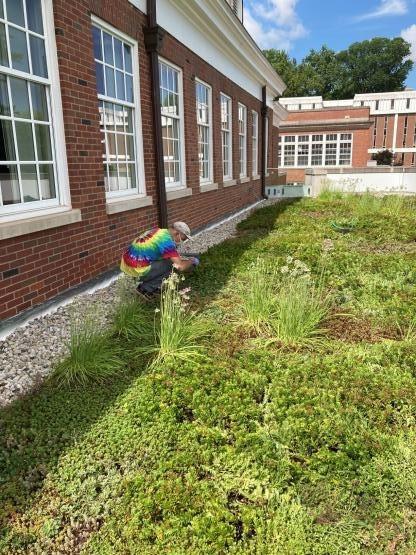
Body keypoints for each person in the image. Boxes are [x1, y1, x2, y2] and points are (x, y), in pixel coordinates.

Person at [120, 221, 200, 300]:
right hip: (136, 270)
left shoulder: (158, 231)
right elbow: (180, 266)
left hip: (127, 265)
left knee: (168, 259)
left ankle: (149, 285)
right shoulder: (166, 241)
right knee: (172, 265)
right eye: (183, 239)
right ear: (177, 233)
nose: (181, 242)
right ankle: (145, 289)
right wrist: (191, 261)